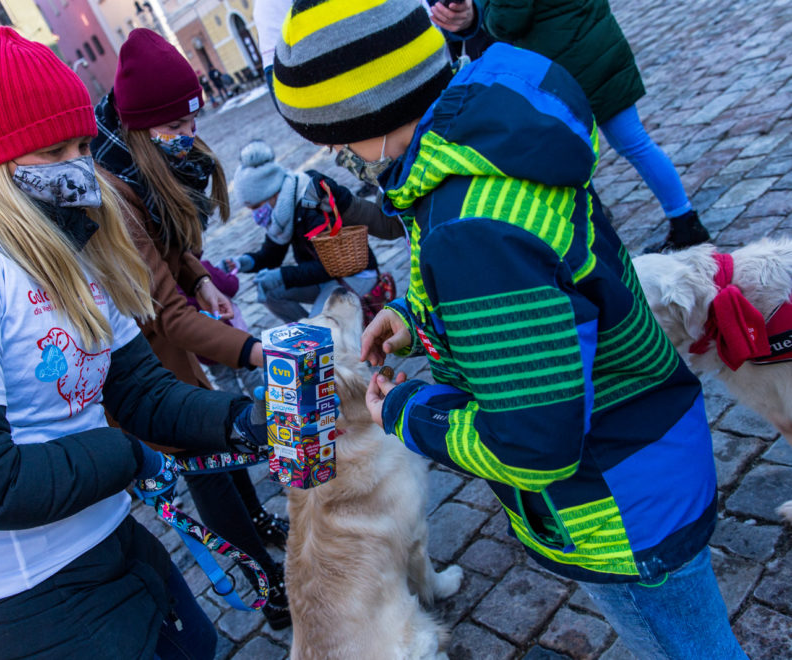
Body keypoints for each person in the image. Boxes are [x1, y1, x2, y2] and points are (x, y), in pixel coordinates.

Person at [273, 2, 746, 658]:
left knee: (683, 648)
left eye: (334, 136)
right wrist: (415, 319)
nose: (339, 154)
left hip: (618, 505)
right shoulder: (480, 155)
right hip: (646, 450)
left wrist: (408, 411)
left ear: (367, 115)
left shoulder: (470, 232)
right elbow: (538, 292)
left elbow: (534, 447)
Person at [0, 28, 269, 659]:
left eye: (82, 144)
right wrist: (130, 457)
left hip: (101, 529)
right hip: (14, 592)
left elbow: (140, 389)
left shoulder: (75, 244)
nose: (79, 166)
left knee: (198, 645)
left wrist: (250, 420)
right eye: (53, 151)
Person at [91, 29, 291, 629]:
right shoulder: (115, 195)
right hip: (141, 350)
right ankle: (267, 590)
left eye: (190, 122)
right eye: (172, 127)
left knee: (219, 435)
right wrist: (259, 352)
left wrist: (201, 278)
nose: (187, 137)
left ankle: (258, 524)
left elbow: (171, 248)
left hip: (165, 332)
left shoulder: (144, 167)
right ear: (141, 127)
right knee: (200, 454)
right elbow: (169, 315)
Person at [467, 0, 710, 252]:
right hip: (601, 46)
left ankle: (597, 244)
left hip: (565, 69)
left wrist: (483, 11)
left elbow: (507, 21)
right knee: (636, 143)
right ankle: (685, 219)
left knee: (570, 159)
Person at [226, 140, 388, 323]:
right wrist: (243, 262)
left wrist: (281, 275)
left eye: (256, 206)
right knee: (269, 292)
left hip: (352, 275)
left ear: (272, 193)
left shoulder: (312, 203)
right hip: (325, 277)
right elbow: (272, 255)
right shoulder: (282, 212)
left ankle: (320, 335)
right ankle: (312, 336)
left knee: (318, 328)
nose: (255, 214)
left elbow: (331, 266)